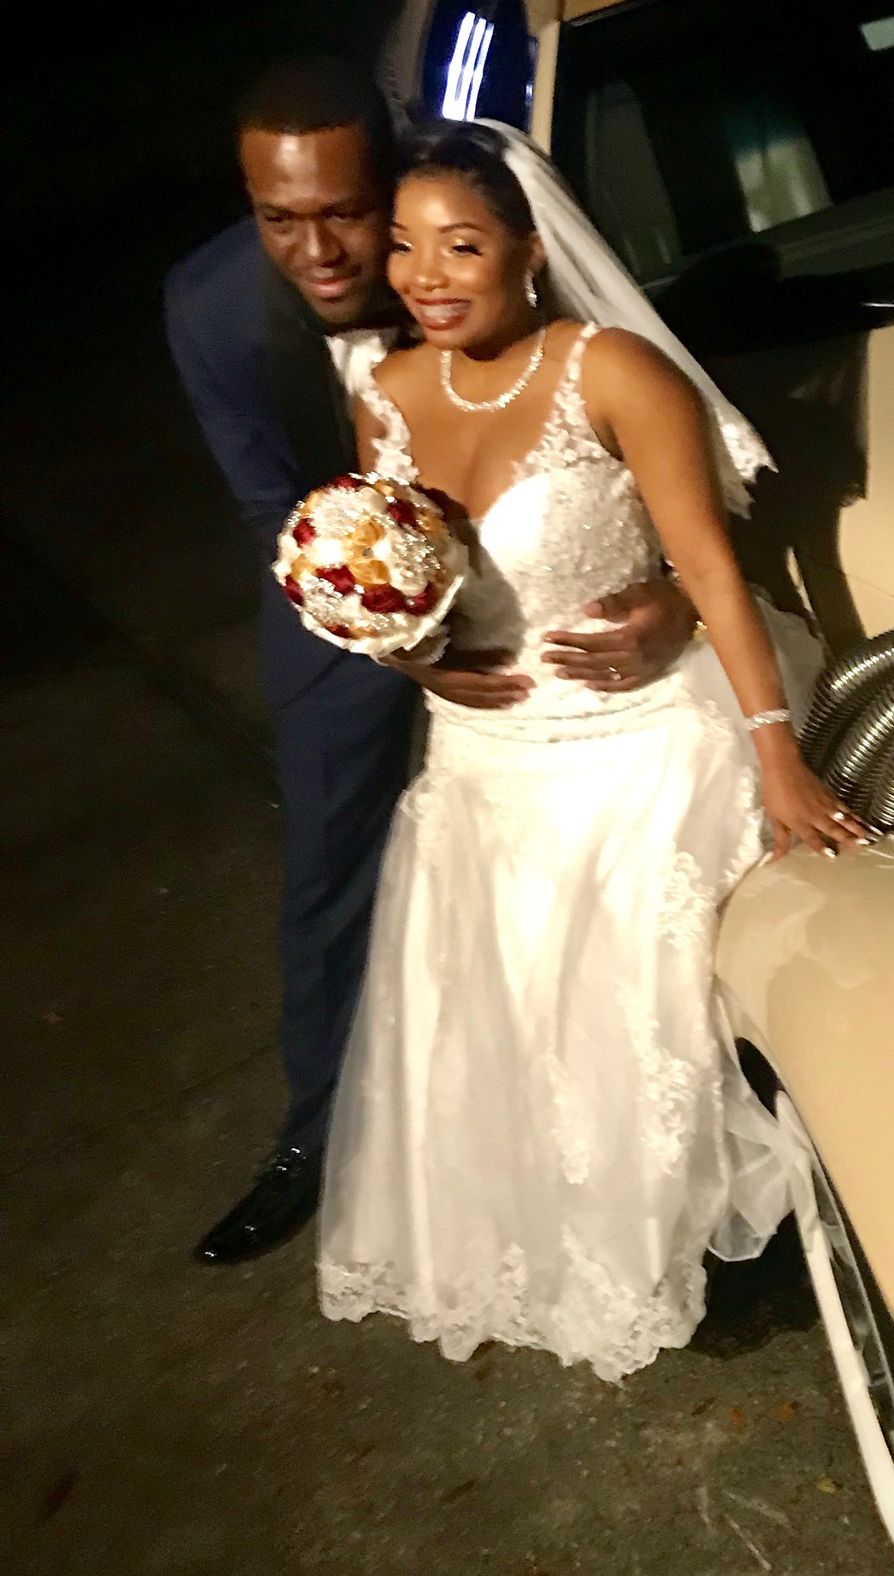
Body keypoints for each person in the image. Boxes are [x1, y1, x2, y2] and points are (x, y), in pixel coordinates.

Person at [316, 122, 862, 1380]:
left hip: (645, 744)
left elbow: (716, 572)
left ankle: (725, 1232)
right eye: (403, 246)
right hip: (485, 759)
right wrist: (402, 651)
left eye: (460, 243)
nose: (423, 274)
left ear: (531, 249)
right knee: (506, 1019)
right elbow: (397, 583)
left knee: (637, 998)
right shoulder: (387, 400)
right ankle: (569, 1246)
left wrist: (779, 755)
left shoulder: (612, 372)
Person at [165, 61, 693, 1265]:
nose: (324, 249)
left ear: (389, 176)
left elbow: (625, 443)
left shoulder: (457, 237)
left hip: (544, 565)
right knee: (333, 864)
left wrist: (666, 591)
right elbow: (273, 512)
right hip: (356, 593)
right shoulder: (206, 309)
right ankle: (317, 1136)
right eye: (278, 218)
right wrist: (405, 647)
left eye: (346, 211)